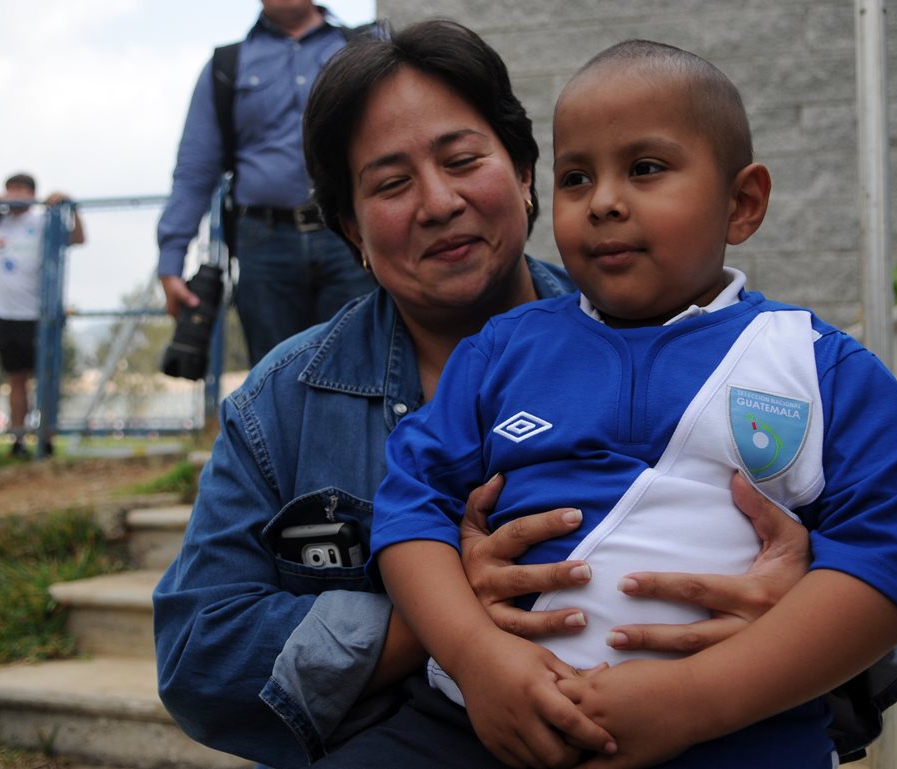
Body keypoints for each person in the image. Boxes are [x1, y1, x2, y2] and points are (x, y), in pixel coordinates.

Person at [153, 21, 812, 769]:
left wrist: (804, 598)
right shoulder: (281, 405)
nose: (438, 202)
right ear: (352, 231)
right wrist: (442, 615)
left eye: (463, 160)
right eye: (391, 183)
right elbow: (198, 654)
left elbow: (889, 628)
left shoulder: (727, 352)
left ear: (526, 173)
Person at [365, 40, 897, 769]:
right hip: (478, 728)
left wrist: (696, 699)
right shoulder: (498, 352)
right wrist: (477, 659)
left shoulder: (822, 368)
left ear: (743, 202)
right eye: (576, 177)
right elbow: (409, 511)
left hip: (742, 737)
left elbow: (885, 572)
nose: (603, 200)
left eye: (645, 168)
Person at [156, 0, 376, 367]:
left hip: (353, 235)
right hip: (265, 243)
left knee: (366, 363)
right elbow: (195, 169)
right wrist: (171, 258)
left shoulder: (365, 48)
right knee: (277, 375)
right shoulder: (226, 66)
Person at [0, 173, 85, 459]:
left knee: (46, 379)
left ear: (32, 193)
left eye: (20, 190)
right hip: (6, 315)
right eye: (10, 191)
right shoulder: (0, 219)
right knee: (16, 380)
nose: (14, 196)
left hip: (39, 315)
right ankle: (18, 441)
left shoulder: (45, 222)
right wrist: (4, 199)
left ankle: (47, 438)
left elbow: (78, 238)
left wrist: (71, 207)